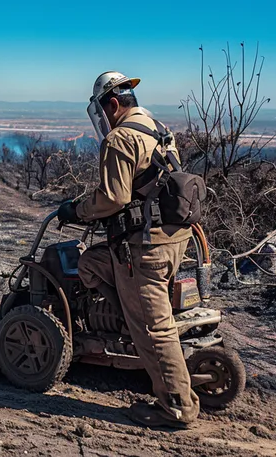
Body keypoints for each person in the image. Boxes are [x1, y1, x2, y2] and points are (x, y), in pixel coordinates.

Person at [57, 71, 200, 429]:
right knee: (90, 263)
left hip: (145, 249)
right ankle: (123, 314)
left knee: (155, 329)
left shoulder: (120, 139)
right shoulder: (155, 127)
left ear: (113, 105)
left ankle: (176, 408)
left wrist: (76, 210)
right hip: (173, 238)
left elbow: (113, 197)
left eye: (103, 111)